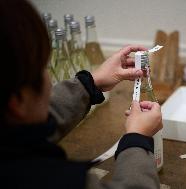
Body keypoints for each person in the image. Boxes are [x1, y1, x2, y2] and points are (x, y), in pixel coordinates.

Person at [0, 0, 162, 188]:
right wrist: (137, 139)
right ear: (18, 100)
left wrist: (89, 84)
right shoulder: (48, 179)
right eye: (43, 67)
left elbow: (39, 118)